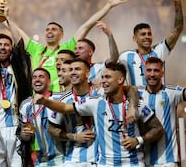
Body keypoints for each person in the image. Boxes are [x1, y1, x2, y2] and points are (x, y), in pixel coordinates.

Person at [35, 62, 164, 166]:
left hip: (133, 163)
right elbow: (64, 107)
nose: (103, 81)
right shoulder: (96, 103)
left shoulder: (138, 105)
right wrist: (45, 101)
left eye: (107, 77)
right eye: (102, 77)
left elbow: (158, 129)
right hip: (104, 163)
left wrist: (138, 140)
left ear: (120, 79)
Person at [3, 0, 129, 92]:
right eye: (47, 30)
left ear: (61, 34)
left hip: (63, 96)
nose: (49, 32)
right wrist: (1, 16)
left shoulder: (67, 49)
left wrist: (108, 6)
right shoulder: (36, 49)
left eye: (54, 29)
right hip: (40, 97)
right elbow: (17, 31)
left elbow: (87, 25)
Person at [0, 0, 33, 166]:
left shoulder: (18, 69)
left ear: (11, 48)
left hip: (17, 127)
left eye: (6, 45)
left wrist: (7, 18)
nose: (2, 47)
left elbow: (21, 45)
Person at [118, 0, 183, 86]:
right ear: (134, 39)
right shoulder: (125, 56)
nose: (147, 37)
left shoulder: (159, 51)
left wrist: (177, 4)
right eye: (143, 34)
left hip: (158, 99)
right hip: (137, 100)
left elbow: (177, 29)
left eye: (149, 34)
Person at [138, 57, 186, 166]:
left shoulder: (171, 92)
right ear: (144, 73)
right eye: (149, 70)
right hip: (143, 161)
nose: (152, 74)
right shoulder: (137, 93)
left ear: (162, 73)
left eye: (156, 70)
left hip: (167, 161)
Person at [19, 68, 65, 166]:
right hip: (41, 160)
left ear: (49, 82)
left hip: (64, 158)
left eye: (41, 77)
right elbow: (25, 137)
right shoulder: (25, 105)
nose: (37, 79)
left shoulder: (61, 99)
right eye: (34, 77)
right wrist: (24, 134)